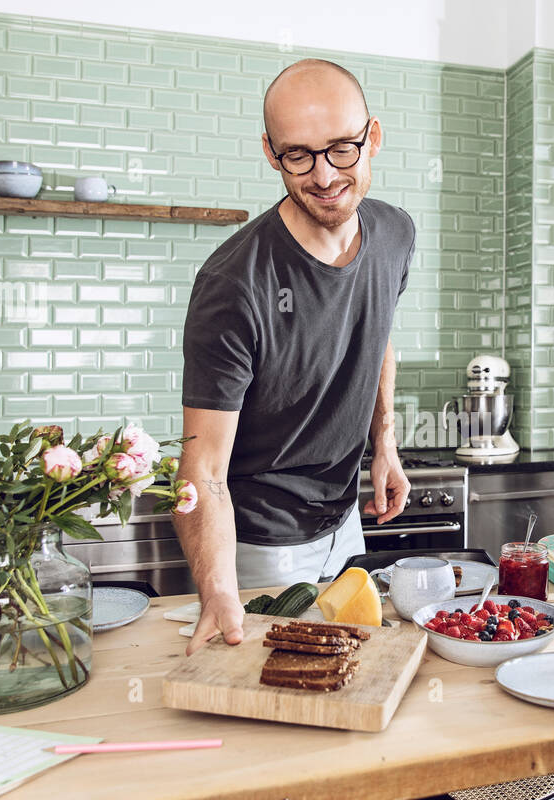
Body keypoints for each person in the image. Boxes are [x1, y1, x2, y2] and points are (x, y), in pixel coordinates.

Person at [174, 59, 415, 654]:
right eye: (299, 155)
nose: (325, 174)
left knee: (350, 682)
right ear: (270, 153)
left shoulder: (395, 234)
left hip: (344, 521)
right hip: (260, 545)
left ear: (373, 137)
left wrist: (384, 443)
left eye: (342, 149)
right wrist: (220, 590)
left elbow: (378, 329)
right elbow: (201, 474)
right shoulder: (233, 283)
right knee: (278, 709)